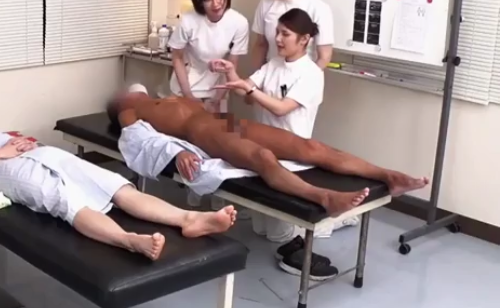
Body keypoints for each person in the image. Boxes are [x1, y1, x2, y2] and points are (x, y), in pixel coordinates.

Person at [0, 116, 238, 261]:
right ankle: (129, 241)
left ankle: (189, 219)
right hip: (7, 170)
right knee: (65, 200)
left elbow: (14, 140)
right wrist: (0, 153)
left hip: (42, 154)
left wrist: (22, 142)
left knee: (113, 184)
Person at [106, 89, 429, 219]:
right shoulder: (130, 112)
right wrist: (177, 153)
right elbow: (139, 140)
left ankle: (386, 175)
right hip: (203, 132)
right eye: (126, 94)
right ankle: (323, 197)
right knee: (262, 157)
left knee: (310, 147)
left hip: (227, 121)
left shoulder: (163, 97)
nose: (132, 91)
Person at [212, 8, 350, 277]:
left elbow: (281, 108)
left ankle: (336, 221)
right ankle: (326, 224)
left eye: (285, 34)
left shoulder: (311, 74)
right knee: (265, 231)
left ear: (304, 39)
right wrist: (231, 73)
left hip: (293, 158)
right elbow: (245, 90)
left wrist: (250, 89)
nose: (277, 39)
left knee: (282, 235)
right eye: (277, 32)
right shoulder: (274, 64)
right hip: (264, 153)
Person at [167, 0, 249, 114]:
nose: (216, 4)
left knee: (218, 126)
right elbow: (177, 58)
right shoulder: (188, 21)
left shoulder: (239, 23)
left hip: (219, 89)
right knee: (183, 126)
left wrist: (216, 100)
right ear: (199, 0)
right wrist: (189, 97)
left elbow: (232, 65)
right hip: (186, 88)